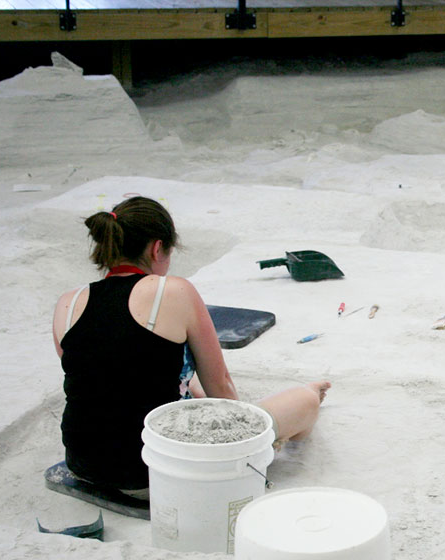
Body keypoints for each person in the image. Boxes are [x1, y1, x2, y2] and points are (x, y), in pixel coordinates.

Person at [52, 196, 330, 498]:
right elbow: (221, 386)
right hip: (159, 473)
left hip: (83, 464)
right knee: (304, 401)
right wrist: (245, 443)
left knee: (184, 384)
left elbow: (107, 376)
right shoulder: (171, 291)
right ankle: (310, 397)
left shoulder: (68, 302)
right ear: (158, 248)